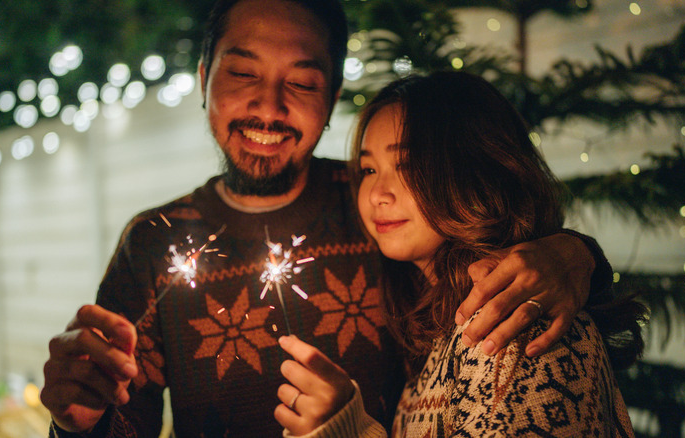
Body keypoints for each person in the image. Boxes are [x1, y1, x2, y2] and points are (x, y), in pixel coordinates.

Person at [40, 1, 615, 437]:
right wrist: (79, 420)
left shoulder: (376, 210)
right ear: (203, 79)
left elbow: (473, 227)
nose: (268, 106)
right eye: (242, 74)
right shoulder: (152, 246)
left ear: (333, 92)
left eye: (302, 82)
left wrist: (573, 254)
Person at [274, 71, 647, 437]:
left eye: (408, 166)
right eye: (369, 168)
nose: (377, 194)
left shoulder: (512, 327)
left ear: (475, 169)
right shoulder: (439, 330)